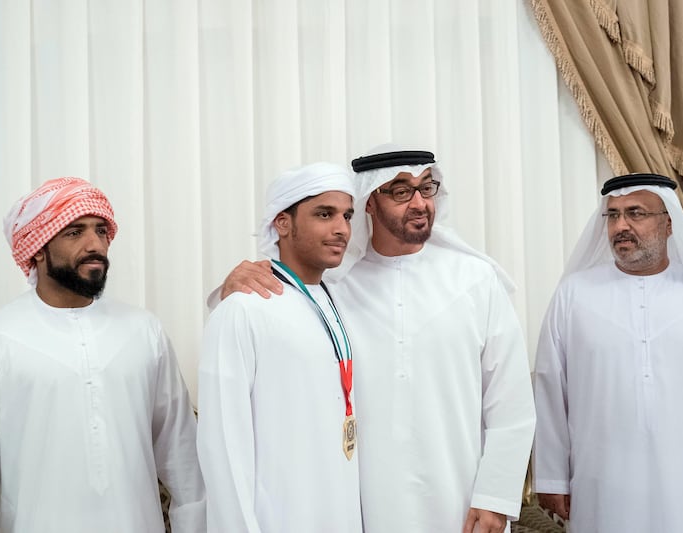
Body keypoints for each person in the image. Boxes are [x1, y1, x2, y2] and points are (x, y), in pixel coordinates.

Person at [215, 146, 536, 533]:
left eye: (426, 188)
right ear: (370, 202)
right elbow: (269, 314)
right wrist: (229, 287)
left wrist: (495, 498)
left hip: (461, 499)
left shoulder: (476, 281)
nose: (419, 202)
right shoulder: (335, 284)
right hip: (361, 506)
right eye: (401, 190)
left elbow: (511, 401)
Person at [0, 178, 206, 533]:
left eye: (101, 230)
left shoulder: (144, 331)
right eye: (74, 232)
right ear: (38, 247)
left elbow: (182, 455)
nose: (95, 244)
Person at [532, 173, 683, 533]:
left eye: (635, 213)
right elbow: (550, 389)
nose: (620, 226)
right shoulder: (574, 295)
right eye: (612, 215)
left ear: (669, 222)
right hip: (601, 488)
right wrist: (551, 477)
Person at [197, 162, 361, 533]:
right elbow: (222, 449)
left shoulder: (339, 303)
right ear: (282, 223)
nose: (341, 229)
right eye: (324, 214)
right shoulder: (243, 308)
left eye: (347, 216)